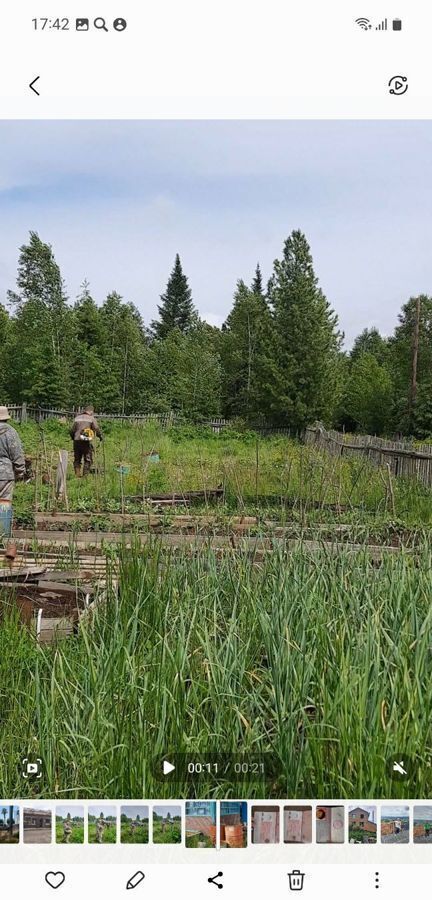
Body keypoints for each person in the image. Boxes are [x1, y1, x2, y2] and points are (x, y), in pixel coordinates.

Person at [0, 406, 26, 502]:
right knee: (4, 503)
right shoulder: (11, 432)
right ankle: (4, 517)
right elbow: (17, 454)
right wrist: (20, 471)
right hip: (5, 475)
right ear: (6, 418)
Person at [70, 405, 102, 477]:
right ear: (91, 411)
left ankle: (77, 475)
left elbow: (72, 430)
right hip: (86, 441)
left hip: (76, 441)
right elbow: (96, 428)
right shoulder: (91, 418)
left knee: (77, 458)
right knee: (88, 459)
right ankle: (85, 476)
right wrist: (100, 436)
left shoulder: (77, 418)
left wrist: (73, 438)